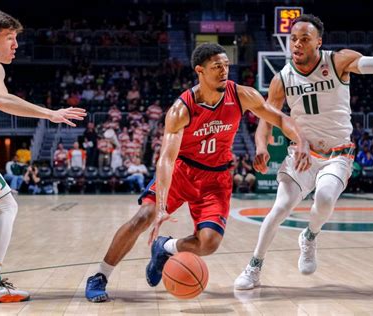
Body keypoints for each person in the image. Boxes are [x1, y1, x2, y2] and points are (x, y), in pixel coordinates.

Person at [85, 43, 311, 302]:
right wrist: (160, 207)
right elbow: (167, 160)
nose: (224, 71)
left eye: (226, 66)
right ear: (200, 71)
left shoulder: (240, 95)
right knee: (143, 217)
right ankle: (100, 275)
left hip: (217, 179)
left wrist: (301, 142)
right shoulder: (182, 108)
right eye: (217, 67)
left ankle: (165, 248)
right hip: (183, 171)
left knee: (209, 243)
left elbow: (280, 118)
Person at [234, 10, 373, 290]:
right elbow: (267, 120)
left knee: (323, 199)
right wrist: (261, 146)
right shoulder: (282, 78)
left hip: (338, 154)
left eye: (304, 39)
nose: (297, 44)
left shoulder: (338, 60)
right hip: (301, 154)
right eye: (293, 39)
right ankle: (254, 267)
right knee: (280, 208)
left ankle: (309, 236)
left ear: (318, 42)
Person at [0, 10, 86, 303]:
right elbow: (2, 99)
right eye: (9, 38)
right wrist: (50, 113)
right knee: (5, 206)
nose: (15, 45)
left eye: (16, 39)